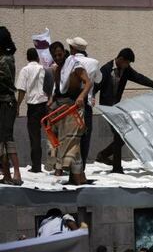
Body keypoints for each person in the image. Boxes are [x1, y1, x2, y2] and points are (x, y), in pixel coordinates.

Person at [94, 48, 153, 174]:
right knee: (119, 134)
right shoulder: (106, 70)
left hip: (116, 108)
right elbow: (96, 86)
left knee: (122, 136)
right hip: (107, 108)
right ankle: (116, 168)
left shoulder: (125, 70)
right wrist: (90, 98)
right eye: (127, 63)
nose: (128, 66)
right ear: (121, 59)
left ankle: (103, 155)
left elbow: (139, 77)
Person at [48, 41, 92, 185]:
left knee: (73, 144)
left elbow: (88, 82)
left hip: (73, 106)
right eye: (54, 56)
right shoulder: (56, 69)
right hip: (60, 108)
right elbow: (56, 89)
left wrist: (81, 97)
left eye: (59, 54)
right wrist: (51, 101)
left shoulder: (74, 64)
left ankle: (79, 178)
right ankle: (78, 177)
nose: (57, 57)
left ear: (65, 52)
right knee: (61, 143)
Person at [66, 37, 102, 170]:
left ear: (73, 49)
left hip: (71, 103)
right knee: (85, 137)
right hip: (86, 103)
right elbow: (98, 79)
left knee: (71, 136)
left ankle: (70, 169)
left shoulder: (70, 61)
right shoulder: (94, 62)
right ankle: (82, 169)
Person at [16, 48, 49, 173]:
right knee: (52, 135)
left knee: (34, 137)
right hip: (45, 105)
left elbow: (22, 90)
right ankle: (58, 165)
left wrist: (18, 106)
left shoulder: (25, 70)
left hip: (33, 107)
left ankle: (36, 166)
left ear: (27, 58)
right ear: (37, 57)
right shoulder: (44, 69)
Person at [0, 26, 22, 185]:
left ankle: (17, 173)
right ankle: (6, 173)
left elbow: (6, 81)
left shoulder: (6, 58)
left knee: (7, 137)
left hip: (6, 101)